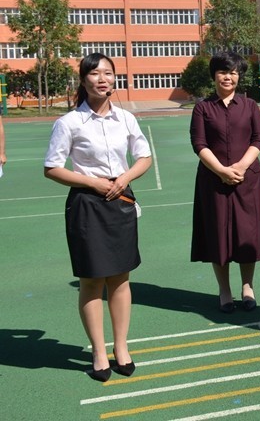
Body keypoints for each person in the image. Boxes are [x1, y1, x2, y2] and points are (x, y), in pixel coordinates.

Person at [44, 53, 152, 382]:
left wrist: (124, 178)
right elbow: (52, 168)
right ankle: (98, 350)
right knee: (92, 280)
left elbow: (144, 156)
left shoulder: (126, 119)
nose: (102, 78)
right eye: (95, 73)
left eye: (108, 73)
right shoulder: (69, 123)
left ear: (115, 79)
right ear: (83, 80)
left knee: (120, 278)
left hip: (119, 202)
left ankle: (121, 347)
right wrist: (91, 181)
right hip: (87, 205)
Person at [191, 52, 260, 314]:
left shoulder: (250, 105)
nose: (228, 76)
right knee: (219, 236)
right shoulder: (203, 108)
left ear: (239, 76)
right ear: (214, 75)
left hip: (247, 180)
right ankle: (224, 290)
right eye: (222, 71)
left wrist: (240, 167)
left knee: (247, 235)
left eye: (233, 72)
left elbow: (259, 138)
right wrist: (220, 171)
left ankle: (248, 286)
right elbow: (199, 144)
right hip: (213, 181)